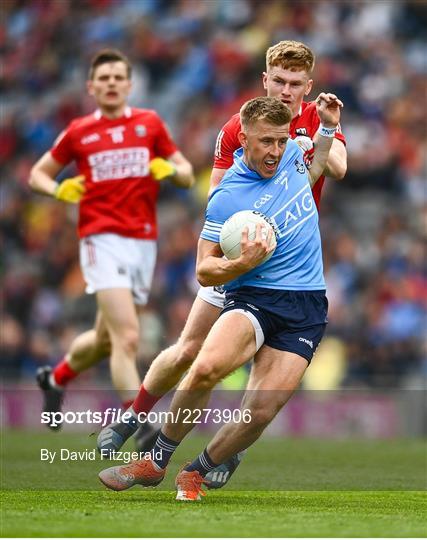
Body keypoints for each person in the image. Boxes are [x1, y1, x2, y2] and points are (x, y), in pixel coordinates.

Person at [96, 40, 347, 487]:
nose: (287, 91)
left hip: (302, 289)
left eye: (296, 84)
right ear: (265, 80)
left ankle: (209, 462)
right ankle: (143, 433)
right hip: (245, 273)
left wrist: (326, 130)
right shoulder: (235, 144)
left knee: (261, 408)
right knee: (196, 356)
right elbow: (213, 240)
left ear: (306, 87)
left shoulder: (299, 141)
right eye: (280, 81)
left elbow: (327, 168)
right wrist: (241, 256)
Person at [29, 48, 195, 437]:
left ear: (129, 84)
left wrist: (169, 169)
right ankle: (138, 425)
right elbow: (37, 174)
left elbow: (187, 173)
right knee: (129, 337)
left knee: (107, 341)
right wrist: (58, 190)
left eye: (118, 77)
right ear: (91, 86)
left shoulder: (149, 124)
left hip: (142, 243)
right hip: (100, 239)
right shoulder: (79, 131)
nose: (111, 84)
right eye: (103, 78)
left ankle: (55, 378)